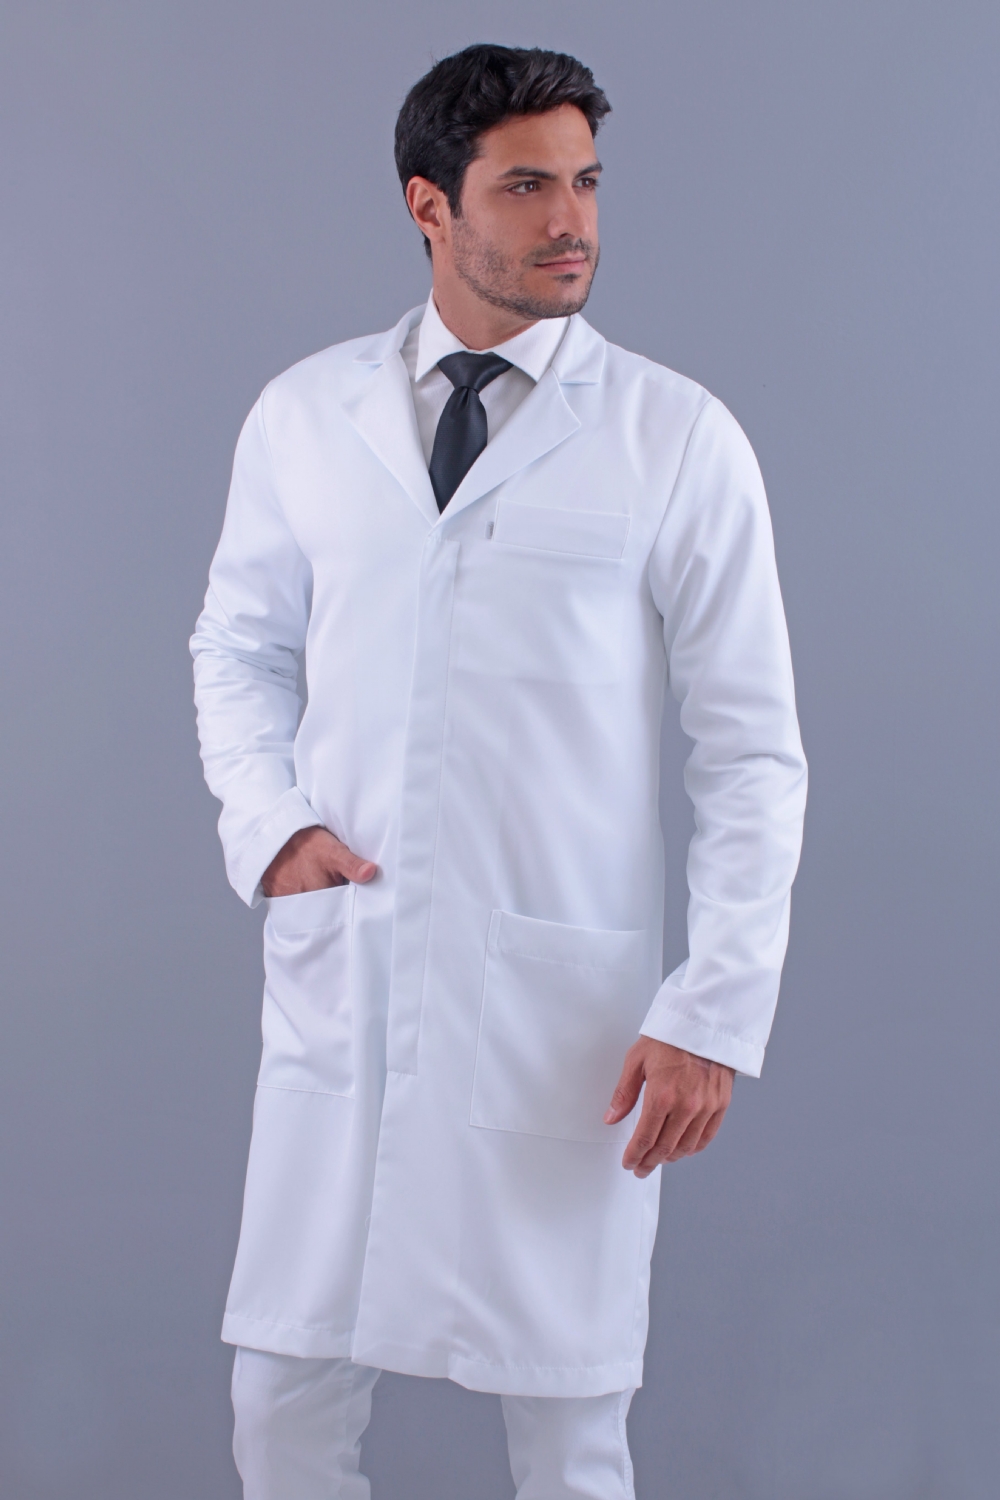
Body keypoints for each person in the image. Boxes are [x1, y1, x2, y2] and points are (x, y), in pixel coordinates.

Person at [191, 42, 807, 1500]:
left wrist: (715, 1008)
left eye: (586, 182)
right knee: (281, 1410)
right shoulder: (305, 416)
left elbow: (751, 748)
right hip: (349, 981)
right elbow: (236, 647)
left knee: (570, 1432)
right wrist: (270, 826)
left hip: (561, 1019)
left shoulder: (675, 437)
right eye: (527, 187)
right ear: (430, 205)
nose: (571, 221)